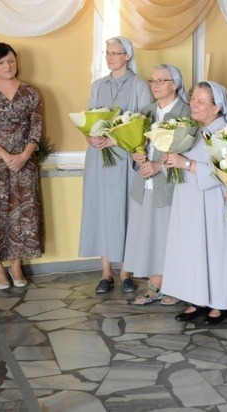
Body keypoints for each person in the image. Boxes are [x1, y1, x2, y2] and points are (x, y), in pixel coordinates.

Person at [78, 36, 152, 294]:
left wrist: (114, 141)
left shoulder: (139, 85)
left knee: (126, 210)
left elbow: (143, 124)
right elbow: (89, 118)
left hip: (124, 157)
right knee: (101, 211)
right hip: (98, 158)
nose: (110, 57)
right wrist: (89, 137)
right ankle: (106, 273)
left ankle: (125, 272)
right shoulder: (97, 85)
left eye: (115, 53)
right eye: (107, 53)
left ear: (127, 56)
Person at [161, 81, 227, 326]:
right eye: (193, 99)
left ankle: (219, 303)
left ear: (217, 108)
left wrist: (184, 163)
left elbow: (226, 173)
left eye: (201, 101)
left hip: (213, 205)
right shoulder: (191, 130)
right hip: (188, 203)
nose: (193, 104)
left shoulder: (226, 133)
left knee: (214, 253)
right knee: (193, 253)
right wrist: (168, 160)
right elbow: (180, 161)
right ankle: (198, 298)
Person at [0, 43, 44, 290]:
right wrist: (5, 155)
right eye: (1, 62)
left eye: (11, 61)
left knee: (23, 214)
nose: (7, 66)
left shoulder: (30, 92)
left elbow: (36, 129)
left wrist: (24, 155)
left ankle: (16, 265)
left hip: (25, 164)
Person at [123, 64, 190, 305]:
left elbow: (190, 156)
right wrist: (136, 156)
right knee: (148, 236)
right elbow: (135, 144)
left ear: (175, 84)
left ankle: (173, 286)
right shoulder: (146, 112)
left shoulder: (186, 113)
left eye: (162, 80)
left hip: (170, 187)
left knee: (168, 238)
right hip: (143, 183)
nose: (156, 85)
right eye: (153, 81)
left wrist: (159, 167)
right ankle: (154, 286)